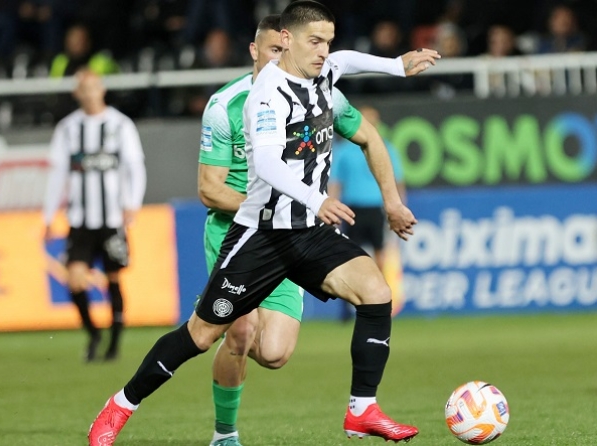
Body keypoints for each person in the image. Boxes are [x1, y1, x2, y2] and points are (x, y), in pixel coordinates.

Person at [86, 1, 440, 444]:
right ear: (286, 41)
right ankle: (120, 406)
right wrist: (317, 198)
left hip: (307, 231)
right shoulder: (266, 95)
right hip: (263, 235)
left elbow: (347, 61)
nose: (324, 51)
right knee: (201, 335)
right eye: (315, 41)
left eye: (328, 42)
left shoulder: (323, 72)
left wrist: (396, 66)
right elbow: (270, 165)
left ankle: (361, 409)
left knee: (375, 292)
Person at [196, 14, 399, 446]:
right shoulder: (225, 105)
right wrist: (272, 205)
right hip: (237, 233)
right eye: (272, 50)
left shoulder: (319, 92)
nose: (279, 58)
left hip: (291, 234)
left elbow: (369, 136)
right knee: (241, 333)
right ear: (255, 50)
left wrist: (393, 201)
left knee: (274, 354)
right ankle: (225, 433)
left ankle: (212, 320)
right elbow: (210, 190)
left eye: (284, 51)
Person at [42, 69, 146, 362]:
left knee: (113, 278)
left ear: (102, 90)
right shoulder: (67, 128)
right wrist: (48, 216)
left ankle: (114, 344)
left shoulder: (120, 125)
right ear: (77, 93)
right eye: (83, 89)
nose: (89, 94)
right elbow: (57, 174)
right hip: (80, 220)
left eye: (93, 87)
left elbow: (135, 166)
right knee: (74, 279)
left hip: (112, 219)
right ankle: (93, 333)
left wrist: (132, 203)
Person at [329, 105, 406, 322]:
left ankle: (377, 300)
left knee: (380, 257)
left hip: (376, 208)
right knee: (350, 258)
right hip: (352, 210)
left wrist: (399, 209)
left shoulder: (386, 148)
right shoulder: (344, 150)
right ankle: (348, 305)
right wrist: (331, 210)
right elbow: (335, 183)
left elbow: (398, 182)